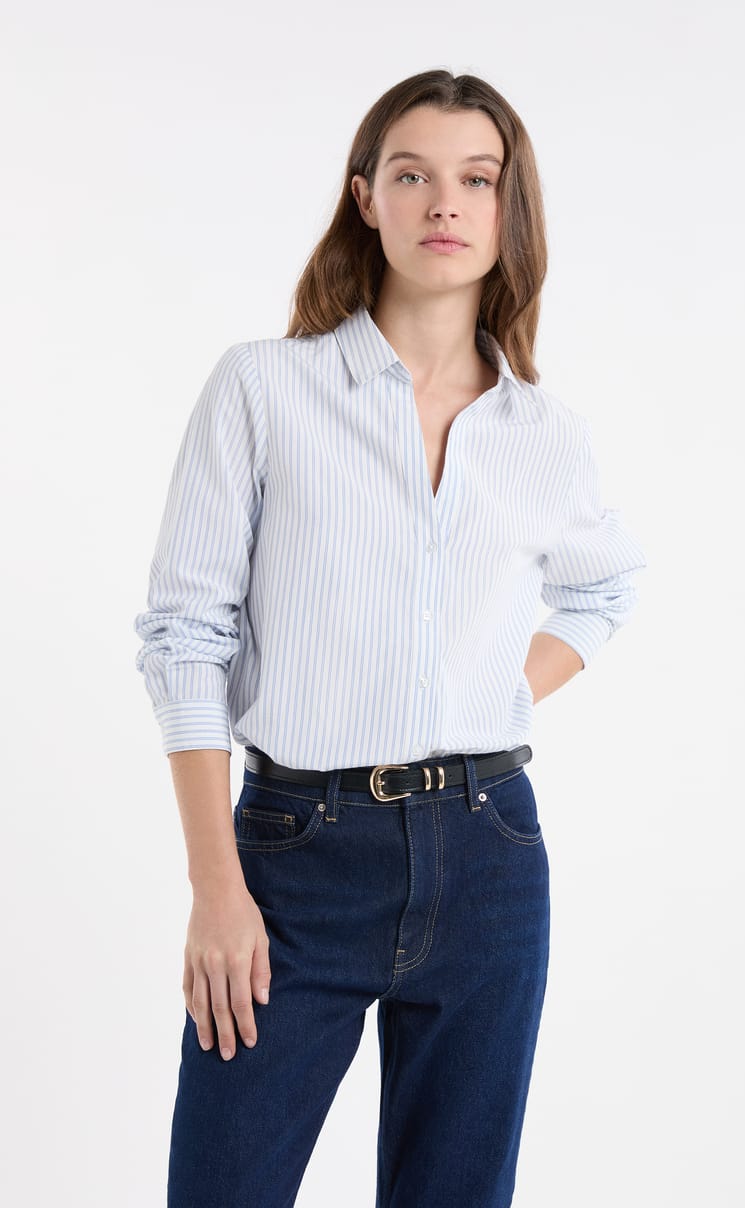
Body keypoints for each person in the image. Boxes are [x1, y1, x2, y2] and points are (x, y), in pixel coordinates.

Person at [133, 68, 647, 1208]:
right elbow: (184, 635)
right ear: (366, 196)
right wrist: (215, 885)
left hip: (489, 856)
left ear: (508, 209)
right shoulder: (264, 389)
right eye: (412, 175)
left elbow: (607, 587)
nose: (444, 202)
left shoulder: (544, 433)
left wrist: (486, 685)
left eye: (477, 179)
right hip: (293, 858)